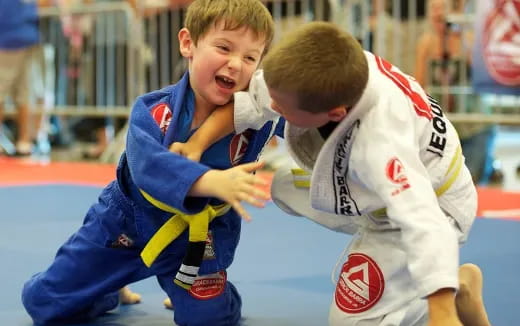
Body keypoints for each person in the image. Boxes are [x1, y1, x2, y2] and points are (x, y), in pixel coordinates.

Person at [171, 21, 491, 326]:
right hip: (380, 188)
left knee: (351, 321)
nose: (272, 107)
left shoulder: (380, 144)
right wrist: (196, 143)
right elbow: (254, 104)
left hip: (436, 208)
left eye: (282, 107)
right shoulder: (327, 67)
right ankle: (419, 276)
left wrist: (443, 311)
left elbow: (426, 225)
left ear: (335, 114)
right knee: (284, 185)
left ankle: (450, 290)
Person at [21, 1, 278, 325]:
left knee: (208, 319)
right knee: (44, 303)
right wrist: (212, 182)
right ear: (188, 43)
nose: (236, 64)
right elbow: (148, 167)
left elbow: (306, 113)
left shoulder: (258, 113)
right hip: (126, 223)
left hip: (197, 236)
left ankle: (205, 293)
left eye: (250, 57)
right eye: (224, 47)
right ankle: (108, 288)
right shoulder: (155, 110)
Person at [415, 0, 498, 185]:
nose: (437, 14)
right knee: (445, 187)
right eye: (433, 9)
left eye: (441, 9)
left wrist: (457, 37)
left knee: (474, 184)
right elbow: (419, 85)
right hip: (444, 128)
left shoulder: (468, 38)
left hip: (476, 124)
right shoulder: (426, 43)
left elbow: (481, 71)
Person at [0, 0, 41, 156]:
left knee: (19, 91)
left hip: (16, 36)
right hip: (19, 35)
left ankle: (24, 140)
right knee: (22, 92)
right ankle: (24, 141)